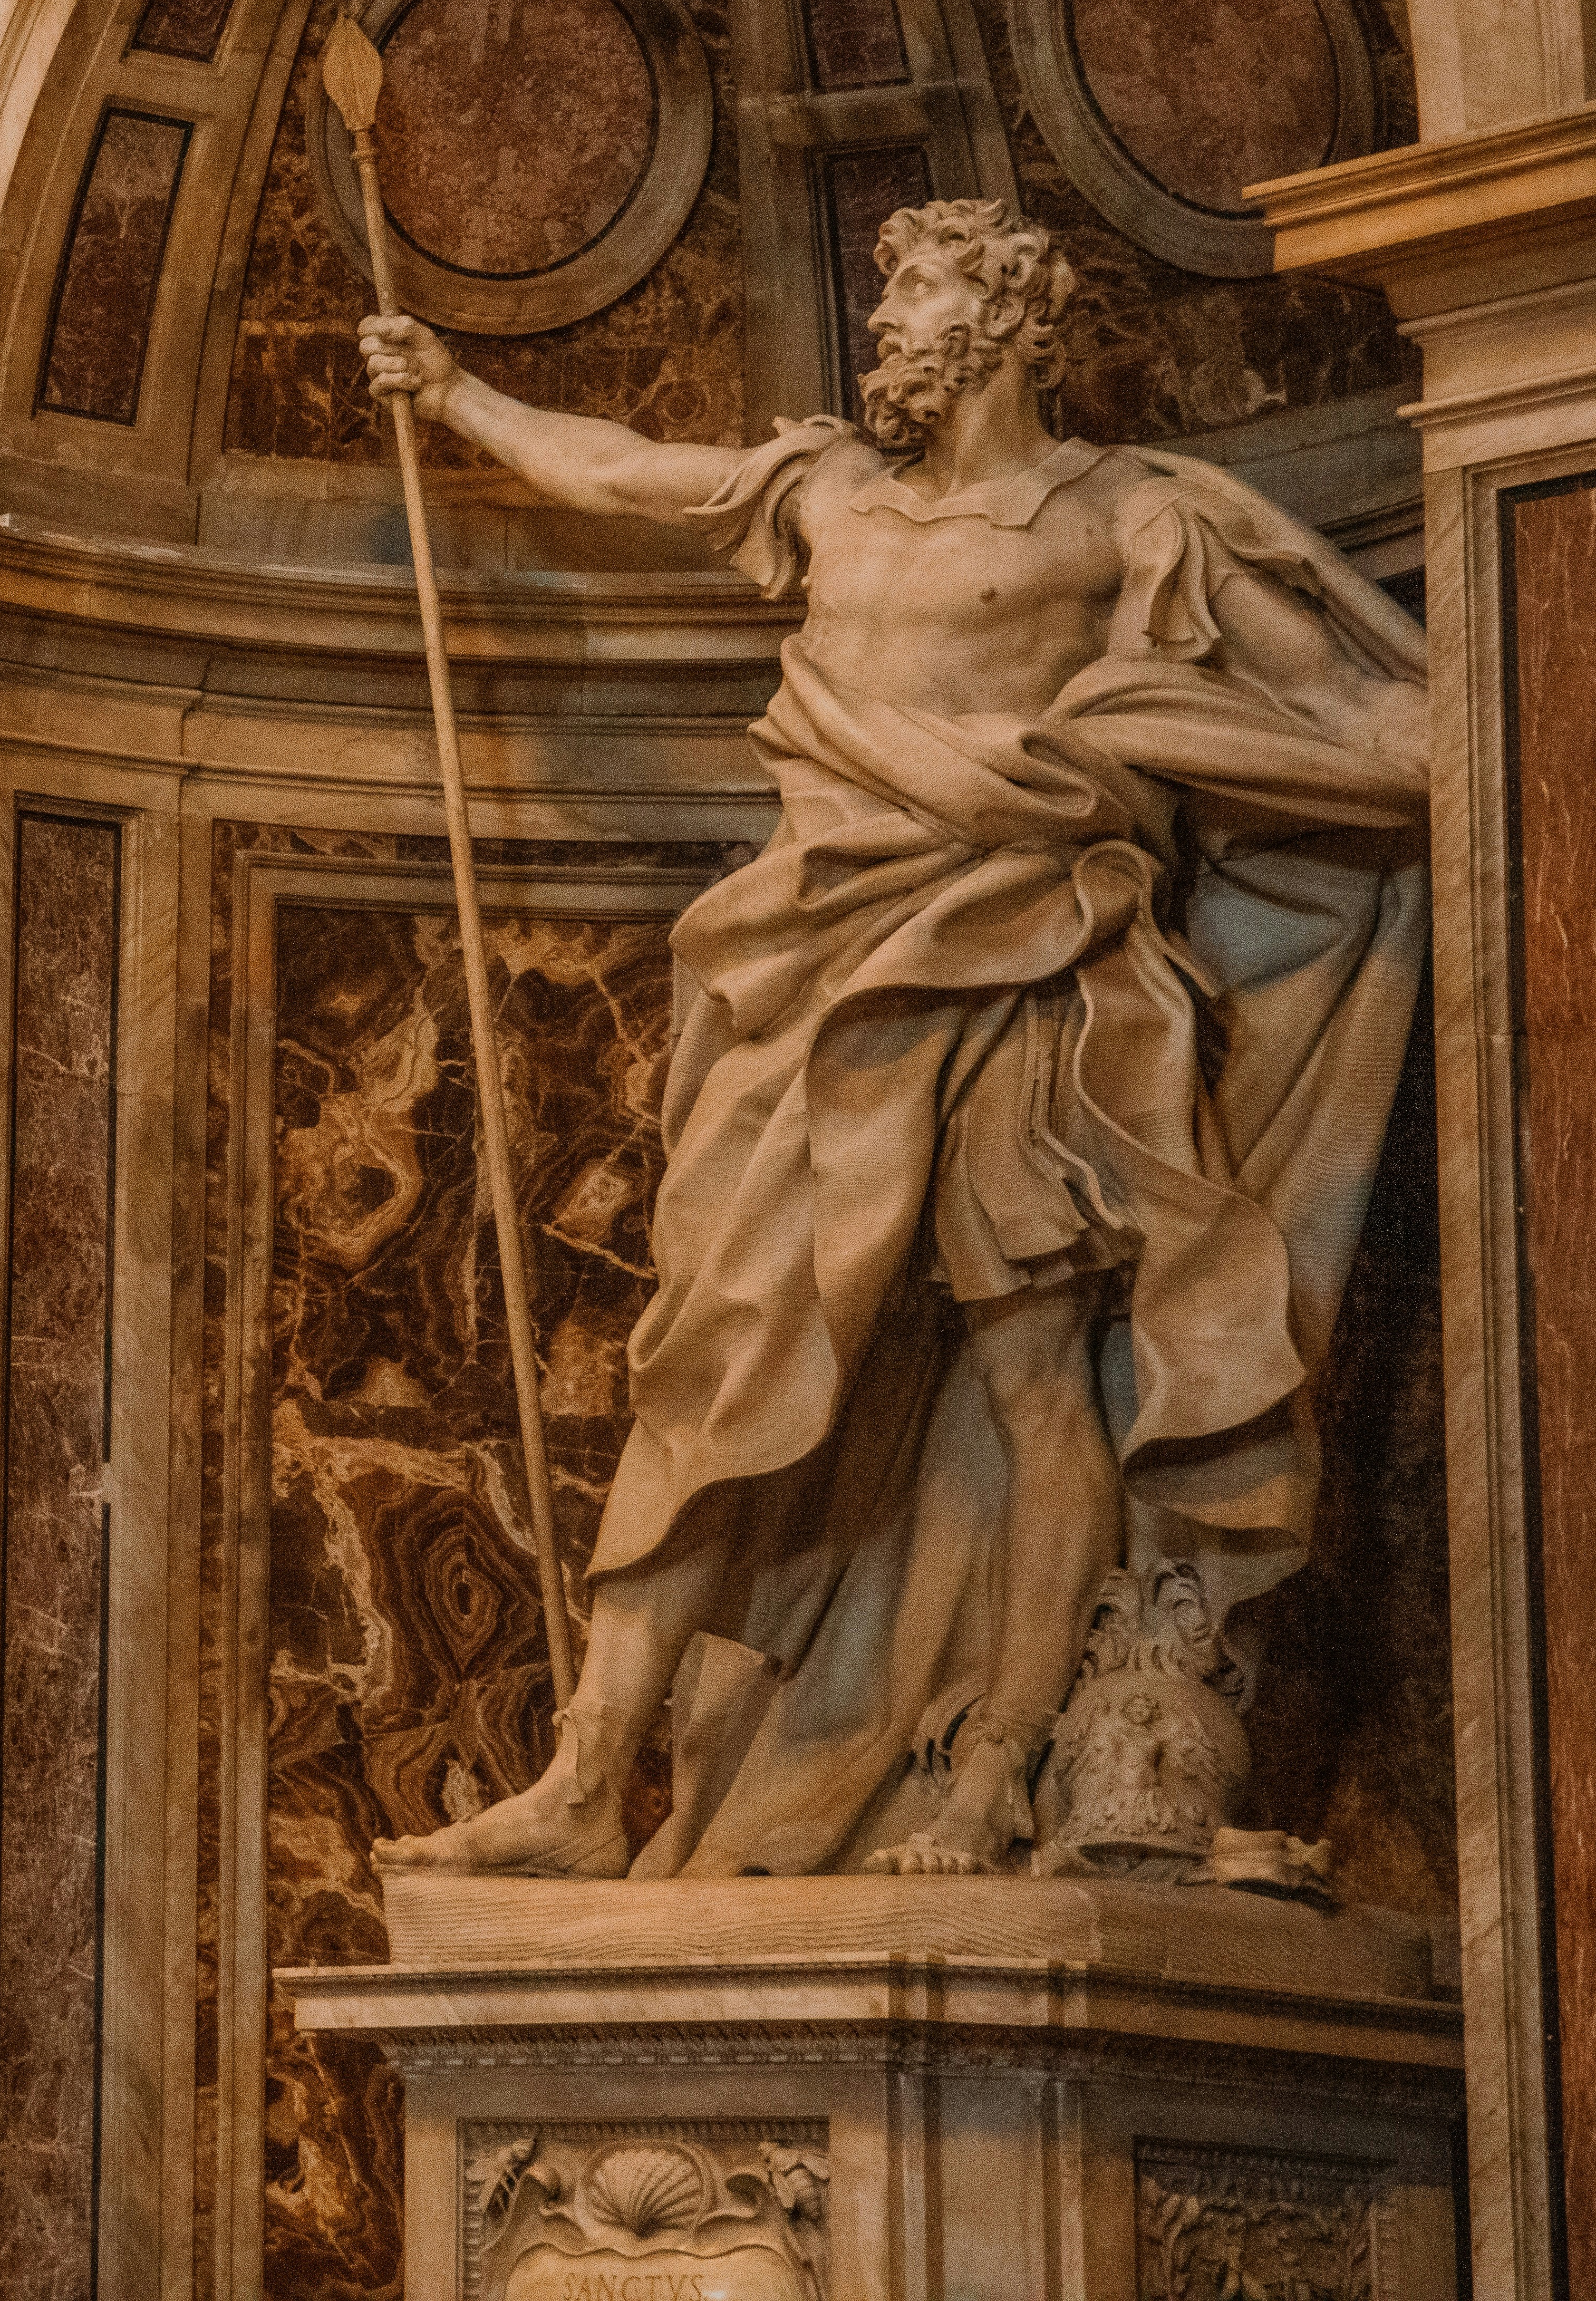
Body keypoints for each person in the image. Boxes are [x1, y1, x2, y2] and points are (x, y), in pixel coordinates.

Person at [359, 198, 1428, 1880]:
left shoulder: (1130, 518)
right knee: (718, 1353)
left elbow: (1345, 707)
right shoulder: (827, 494)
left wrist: (1516, 720)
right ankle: (585, 1779)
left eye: (916, 294)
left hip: (1020, 960)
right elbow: (627, 473)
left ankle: (995, 1771)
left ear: (1006, 323)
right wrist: (456, 393)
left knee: (1036, 1378)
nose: (884, 327)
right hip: (817, 971)